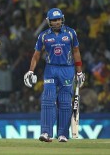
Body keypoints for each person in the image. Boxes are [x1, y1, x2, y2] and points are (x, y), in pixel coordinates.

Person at [23, 8, 85, 142]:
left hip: (67, 70)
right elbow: (36, 55)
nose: (57, 22)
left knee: (64, 102)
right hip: (51, 69)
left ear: (62, 19)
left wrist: (79, 72)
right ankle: (46, 132)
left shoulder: (71, 33)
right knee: (48, 99)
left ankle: (62, 134)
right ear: (49, 21)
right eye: (54, 20)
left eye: (58, 19)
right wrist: (31, 70)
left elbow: (76, 52)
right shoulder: (44, 36)